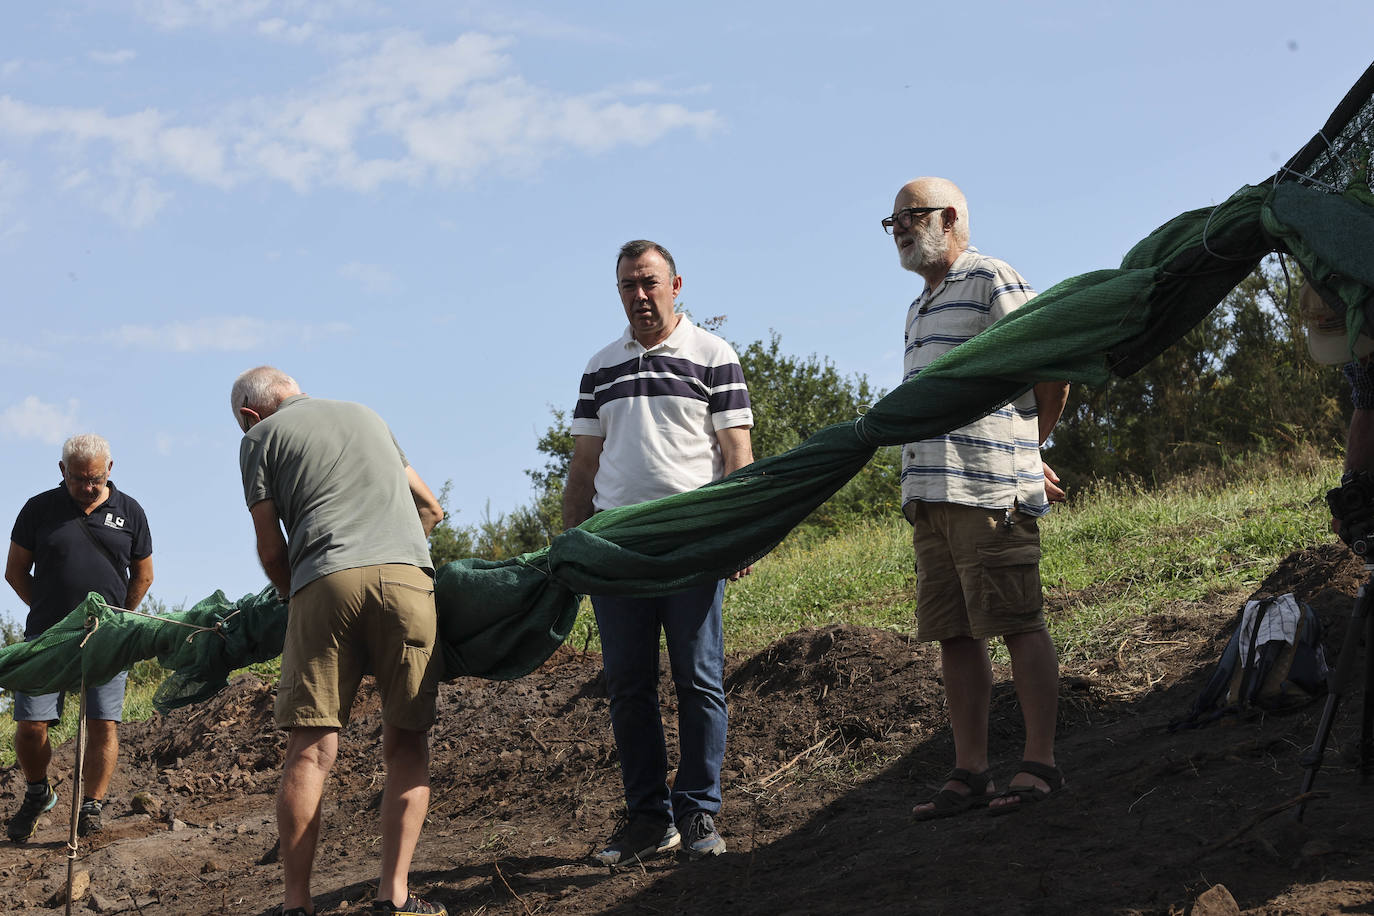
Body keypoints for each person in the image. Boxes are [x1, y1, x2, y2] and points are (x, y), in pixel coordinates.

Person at [883, 178, 1071, 819]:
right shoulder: (918, 307)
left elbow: (1051, 358)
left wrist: (1030, 447)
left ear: (950, 216)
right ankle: (970, 773)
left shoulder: (992, 277)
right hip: (930, 493)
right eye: (894, 221)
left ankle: (1040, 763)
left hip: (990, 487)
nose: (900, 229)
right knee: (954, 635)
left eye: (910, 216)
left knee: (1016, 621)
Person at [230, 367, 447, 916]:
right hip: (407, 580)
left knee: (312, 748)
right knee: (407, 742)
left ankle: (297, 906)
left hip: (324, 583)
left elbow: (273, 551)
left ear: (252, 414)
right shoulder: (367, 415)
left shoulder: (260, 437)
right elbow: (431, 507)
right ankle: (392, 898)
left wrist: (291, 596)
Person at [564, 240, 755, 865]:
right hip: (617, 546)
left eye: (649, 283)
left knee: (698, 679)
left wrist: (737, 532)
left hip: (692, 540)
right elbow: (583, 467)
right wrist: (574, 549)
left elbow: (736, 455)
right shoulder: (599, 368)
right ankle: (648, 819)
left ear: (676, 284)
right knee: (627, 686)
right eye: (627, 286)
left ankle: (698, 811)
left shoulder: (713, 355)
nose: (639, 296)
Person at [5, 433, 154, 842]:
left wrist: (120, 620)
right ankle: (37, 792)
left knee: (103, 724)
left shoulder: (131, 512)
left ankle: (93, 805)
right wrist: (52, 616)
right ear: (61, 471)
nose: (88, 487)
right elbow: (15, 572)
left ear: (109, 470)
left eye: (95, 478)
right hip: (47, 639)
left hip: (107, 638)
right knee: (31, 725)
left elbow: (143, 574)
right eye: (78, 479)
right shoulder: (38, 509)